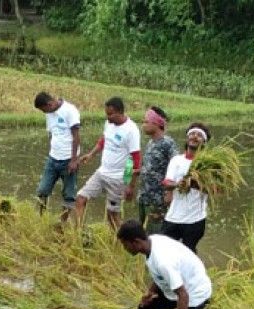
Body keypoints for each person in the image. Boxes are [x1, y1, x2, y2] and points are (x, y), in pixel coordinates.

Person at [75, 97, 140, 229]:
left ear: (120, 111)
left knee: (112, 215)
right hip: (101, 173)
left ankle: (120, 242)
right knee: (80, 198)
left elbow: (136, 159)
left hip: (117, 179)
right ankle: (78, 235)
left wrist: (131, 185)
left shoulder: (131, 130)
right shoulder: (108, 124)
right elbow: (104, 140)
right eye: (106, 113)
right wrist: (91, 154)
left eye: (110, 114)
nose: (107, 117)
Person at [160, 123, 211, 253]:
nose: (195, 137)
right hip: (173, 216)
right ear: (187, 138)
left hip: (195, 218)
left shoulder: (208, 164)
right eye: (192, 134)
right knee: (164, 250)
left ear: (204, 142)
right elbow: (166, 183)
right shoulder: (176, 160)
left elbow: (216, 190)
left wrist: (193, 183)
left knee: (189, 253)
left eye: (199, 135)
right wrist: (178, 185)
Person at [32, 91, 81, 222]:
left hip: (68, 160)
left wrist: (73, 160)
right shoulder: (49, 113)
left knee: (68, 195)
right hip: (53, 159)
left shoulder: (70, 111)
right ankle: (41, 219)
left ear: (50, 104)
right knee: (42, 190)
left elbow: (76, 136)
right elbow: (51, 134)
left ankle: (62, 223)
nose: (45, 113)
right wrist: (51, 150)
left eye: (44, 110)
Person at [137, 106, 176, 233]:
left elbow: (177, 166)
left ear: (157, 123)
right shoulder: (150, 143)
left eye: (146, 122)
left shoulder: (167, 143)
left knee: (156, 238)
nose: (143, 125)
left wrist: (169, 193)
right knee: (142, 235)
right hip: (144, 197)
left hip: (157, 201)